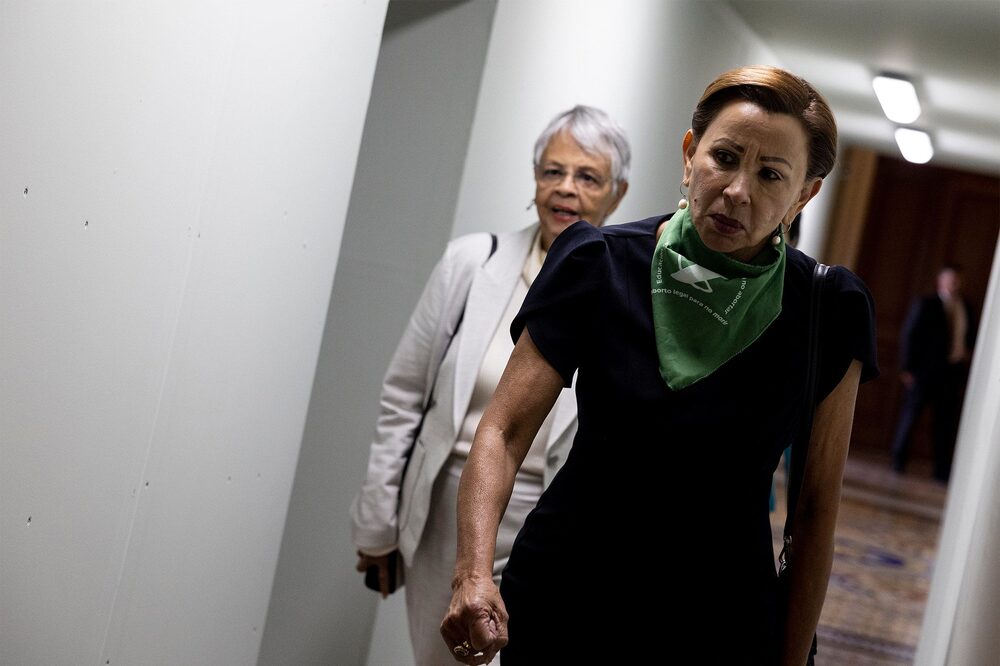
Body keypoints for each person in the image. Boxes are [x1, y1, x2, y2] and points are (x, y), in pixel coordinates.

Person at [441, 66, 878, 665]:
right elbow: (504, 430)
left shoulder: (827, 310)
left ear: (804, 194)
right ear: (690, 153)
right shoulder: (599, 263)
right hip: (568, 595)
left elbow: (816, 505)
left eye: (770, 174)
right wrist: (472, 573)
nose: (737, 190)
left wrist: (792, 659)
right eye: (724, 157)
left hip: (719, 619)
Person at [350, 106, 630, 665]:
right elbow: (404, 396)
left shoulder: (625, 292)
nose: (566, 188)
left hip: (551, 525)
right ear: (534, 178)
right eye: (553, 171)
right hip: (447, 518)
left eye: (587, 177)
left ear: (617, 194)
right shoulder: (472, 262)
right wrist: (378, 522)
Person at [890, 265, 975, 481]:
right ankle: (898, 461)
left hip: (951, 375)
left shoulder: (967, 307)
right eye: (951, 279)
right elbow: (910, 335)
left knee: (945, 424)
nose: (955, 283)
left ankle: (941, 470)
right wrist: (907, 368)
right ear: (941, 281)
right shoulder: (926, 304)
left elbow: (970, 337)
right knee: (911, 417)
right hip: (923, 373)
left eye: (958, 279)